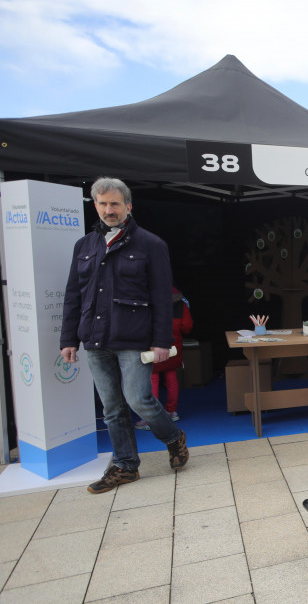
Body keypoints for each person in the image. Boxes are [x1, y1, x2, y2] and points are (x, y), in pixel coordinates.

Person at [60, 177, 189, 494]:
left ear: (128, 206)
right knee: (112, 409)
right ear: (95, 206)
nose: (108, 210)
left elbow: (162, 297)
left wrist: (162, 341)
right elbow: (73, 295)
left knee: (139, 399)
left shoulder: (151, 245)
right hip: (95, 338)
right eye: (102, 204)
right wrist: (68, 339)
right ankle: (125, 466)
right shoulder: (84, 245)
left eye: (114, 203)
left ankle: (173, 438)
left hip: (134, 339)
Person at [135, 287, 192, 429]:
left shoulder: (147, 302)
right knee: (172, 379)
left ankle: (152, 418)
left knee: (152, 380)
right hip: (173, 347)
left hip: (153, 346)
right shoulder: (181, 304)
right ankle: (172, 412)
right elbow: (187, 327)